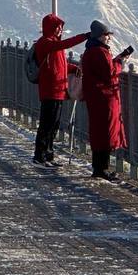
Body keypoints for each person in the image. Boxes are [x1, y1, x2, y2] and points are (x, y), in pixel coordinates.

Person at [32, 12, 89, 166]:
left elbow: (61, 64)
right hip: (49, 90)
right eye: (57, 27)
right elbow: (65, 45)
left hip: (58, 90)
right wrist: (84, 36)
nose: (60, 30)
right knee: (47, 124)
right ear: (50, 27)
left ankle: (48, 155)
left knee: (54, 124)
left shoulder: (54, 44)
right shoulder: (45, 43)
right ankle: (39, 156)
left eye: (60, 28)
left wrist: (73, 68)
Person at [80, 19, 132, 179]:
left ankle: (99, 167)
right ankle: (102, 169)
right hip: (104, 97)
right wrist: (120, 63)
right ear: (99, 36)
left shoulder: (91, 50)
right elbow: (109, 74)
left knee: (99, 131)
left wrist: (115, 60)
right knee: (105, 132)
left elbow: (103, 69)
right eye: (106, 35)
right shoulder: (99, 52)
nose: (108, 38)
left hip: (96, 97)